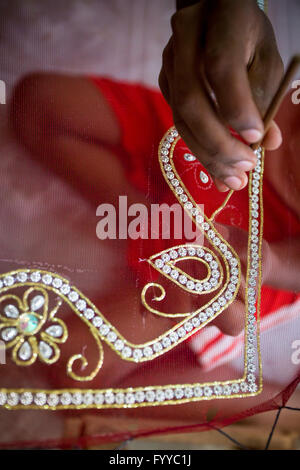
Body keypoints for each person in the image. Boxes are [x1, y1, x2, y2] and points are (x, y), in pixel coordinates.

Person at [4, 0, 300, 445]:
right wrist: (143, 214)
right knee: (37, 101)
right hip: (191, 146)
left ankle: (247, 392)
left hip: (229, 259)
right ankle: (145, 218)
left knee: (74, 370)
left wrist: (269, 261)